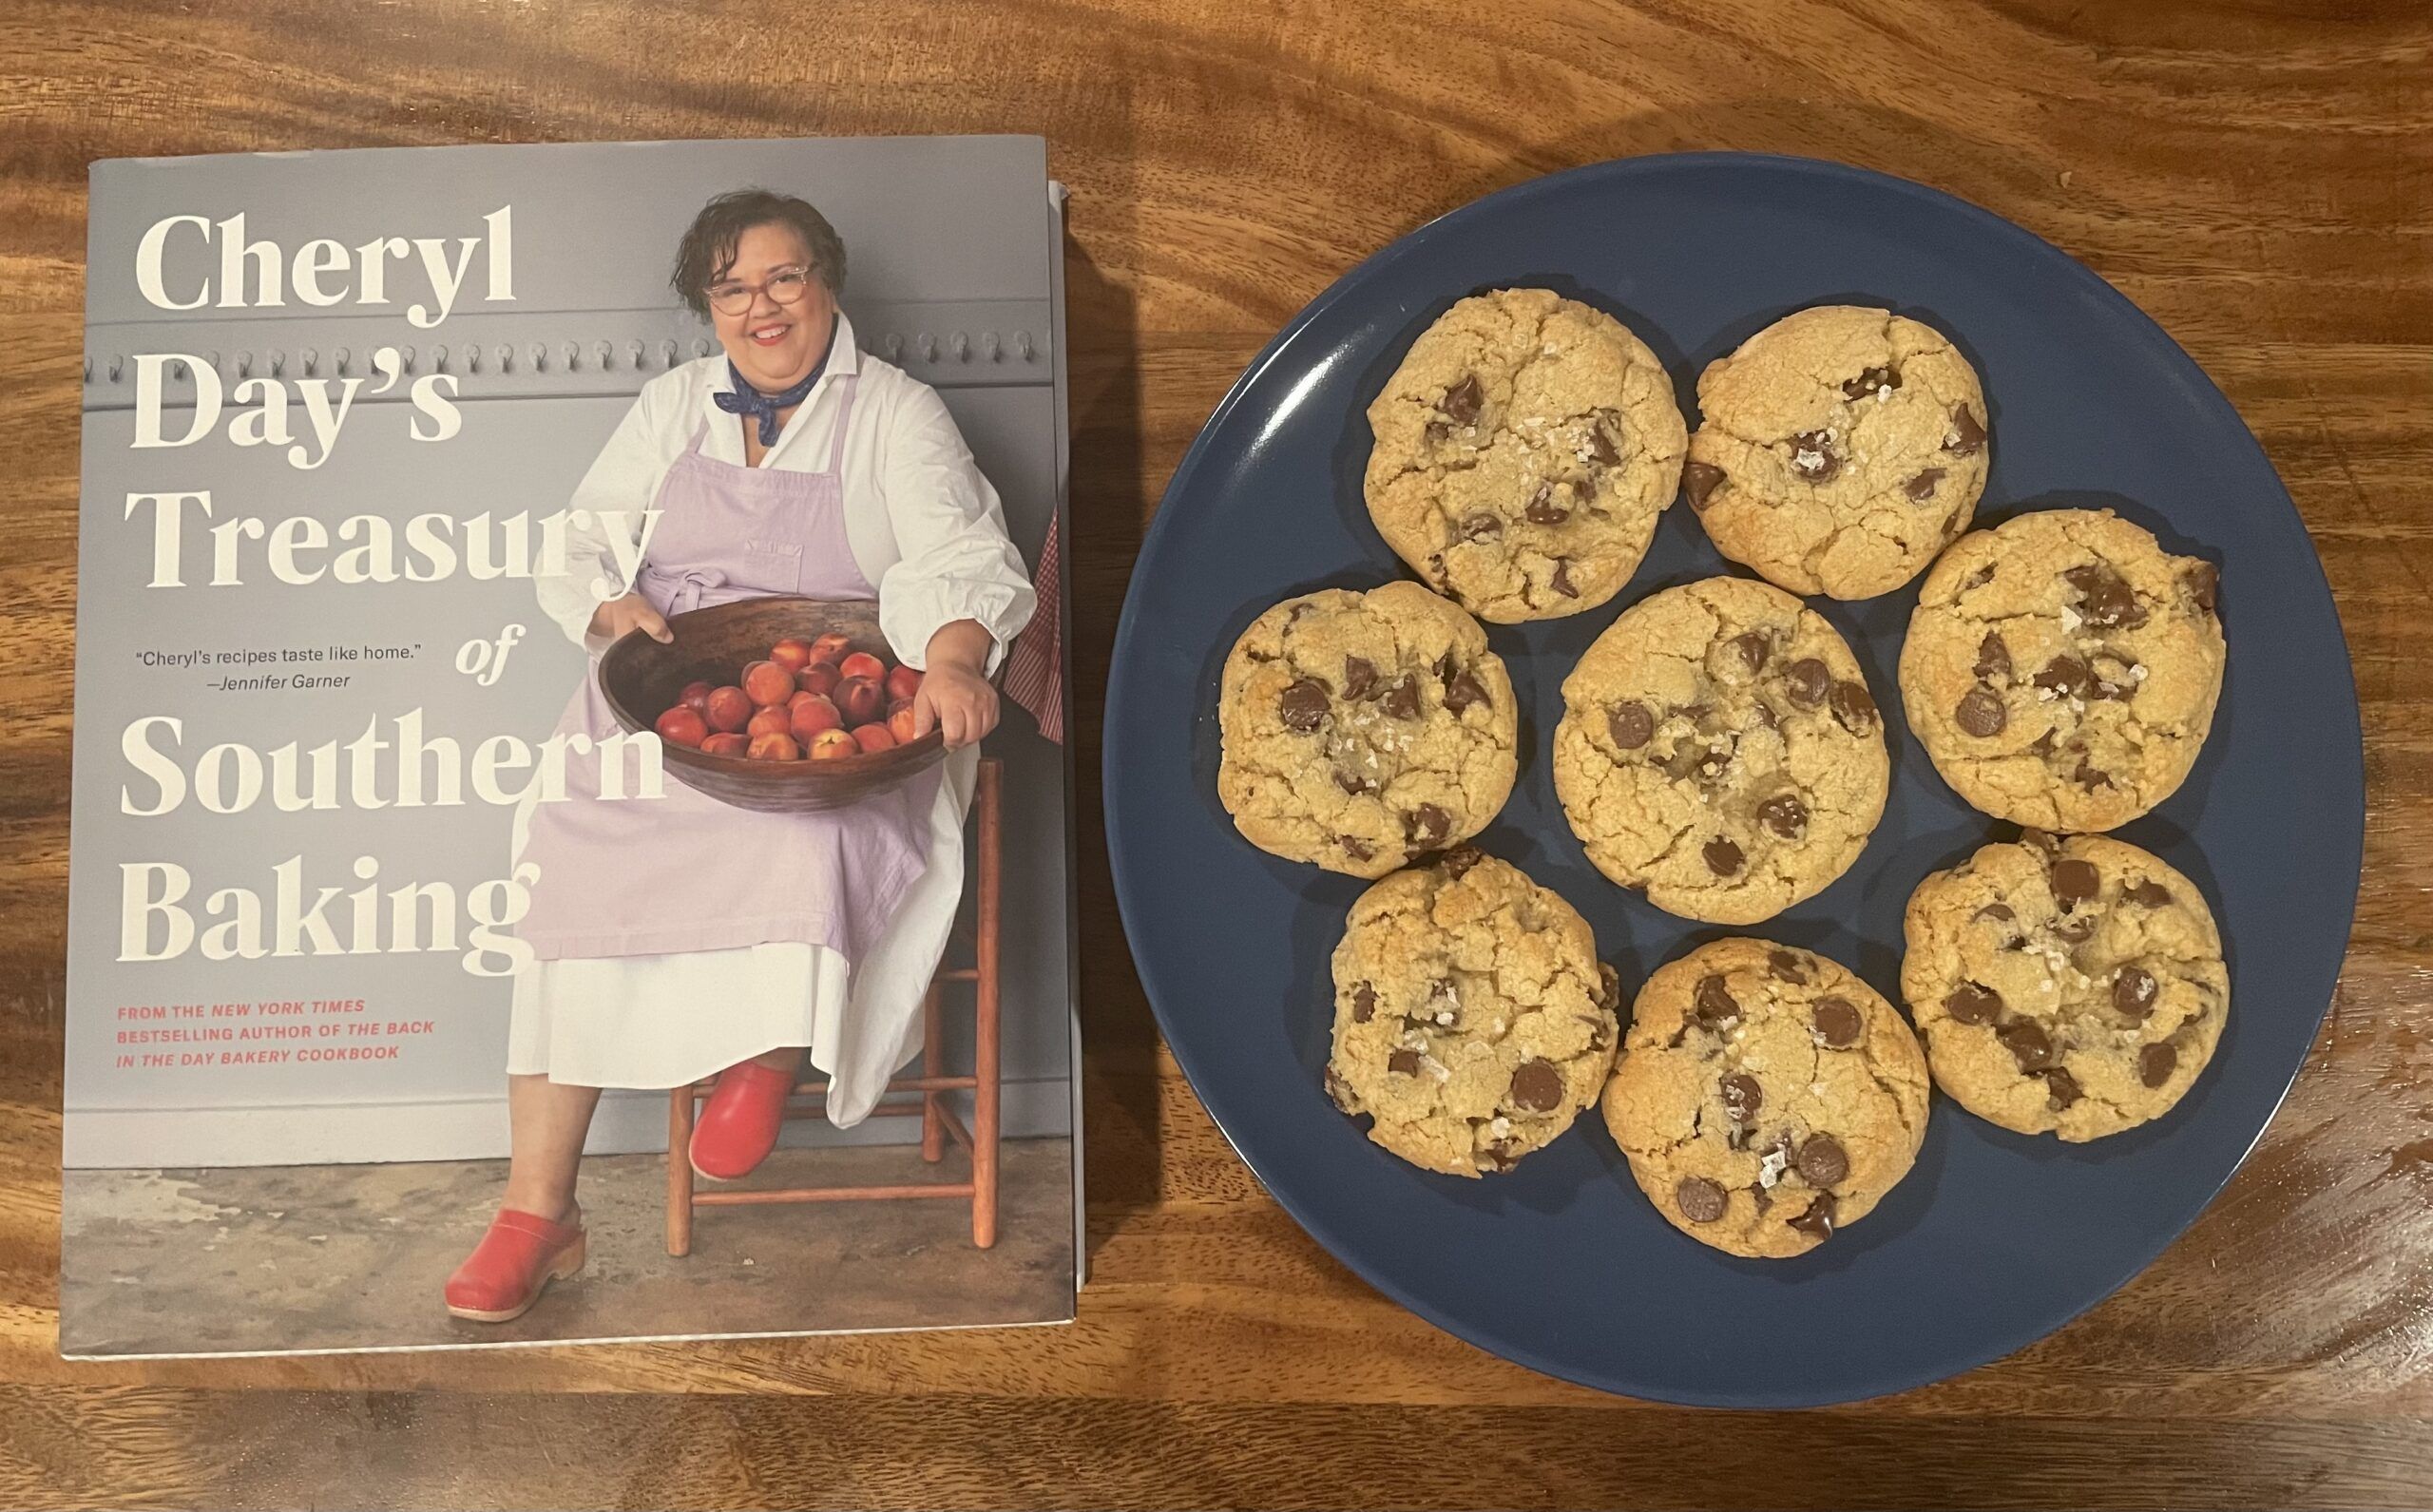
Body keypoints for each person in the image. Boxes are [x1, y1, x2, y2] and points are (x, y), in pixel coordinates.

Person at [442, 189, 1037, 1322]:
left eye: (782, 277)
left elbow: (958, 551)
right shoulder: (672, 405)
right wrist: (612, 601)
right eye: (732, 288)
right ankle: (536, 1211)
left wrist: (956, 660)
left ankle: (761, 1053)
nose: (761, 307)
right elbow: (584, 533)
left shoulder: (897, 414)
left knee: (802, 825)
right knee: (565, 838)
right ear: (705, 306)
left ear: (828, 279)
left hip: (835, 698)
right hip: (672, 693)